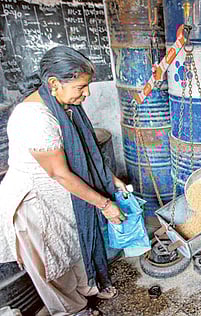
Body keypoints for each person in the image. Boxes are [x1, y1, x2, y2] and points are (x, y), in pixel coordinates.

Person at [0, 46, 127, 316]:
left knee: (74, 247)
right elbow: (60, 172)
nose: (87, 93)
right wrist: (105, 204)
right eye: (81, 87)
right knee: (52, 263)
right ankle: (73, 310)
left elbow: (85, 152)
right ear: (54, 83)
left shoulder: (64, 106)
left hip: (62, 197)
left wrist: (111, 179)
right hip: (35, 205)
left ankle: (87, 288)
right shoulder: (34, 118)